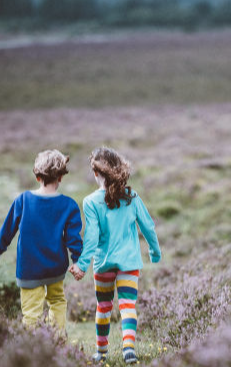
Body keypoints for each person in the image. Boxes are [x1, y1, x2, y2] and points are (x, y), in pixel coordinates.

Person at [69, 147, 161, 365]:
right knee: (128, 305)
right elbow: (148, 226)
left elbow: (91, 238)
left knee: (104, 307)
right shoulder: (132, 197)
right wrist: (154, 251)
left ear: (96, 174)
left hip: (103, 263)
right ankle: (129, 349)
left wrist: (82, 265)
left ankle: (101, 353)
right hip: (129, 263)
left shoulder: (91, 201)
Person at [0, 149, 83, 333]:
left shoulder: (23, 200)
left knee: (31, 312)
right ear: (61, 177)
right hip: (56, 268)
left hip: (29, 269)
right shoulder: (69, 205)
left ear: (37, 176)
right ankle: (58, 342)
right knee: (57, 301)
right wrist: (78, 261)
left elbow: (8, 229)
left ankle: (32, 347)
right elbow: (74, 239)